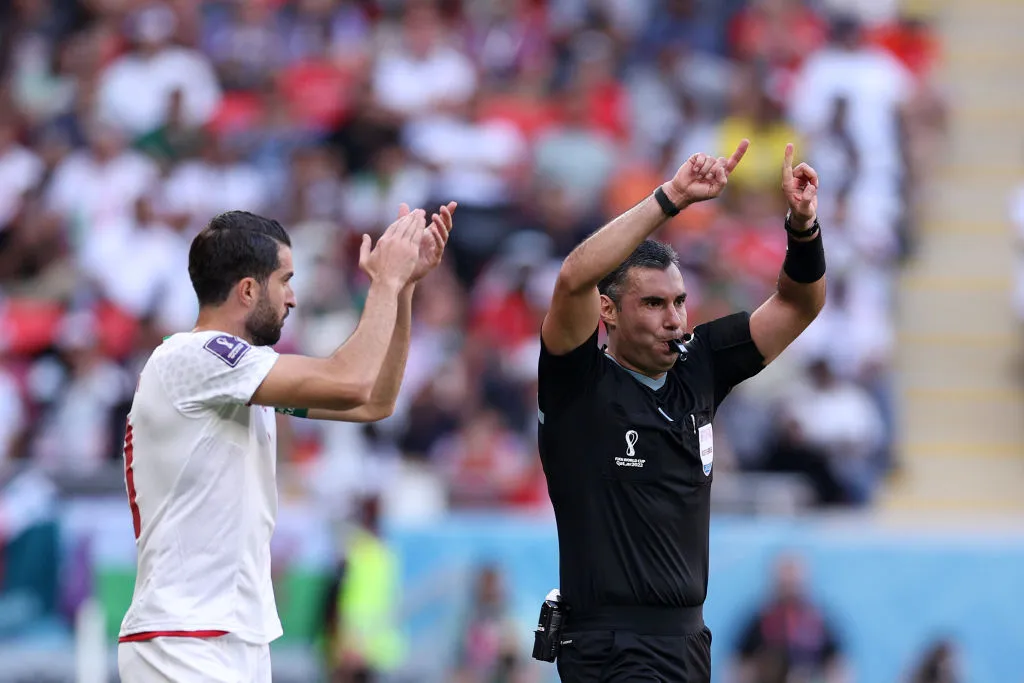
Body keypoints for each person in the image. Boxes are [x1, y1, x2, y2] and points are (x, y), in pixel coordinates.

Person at [116, 201, 457, 682]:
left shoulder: (234, 377)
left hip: (232, 638)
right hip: (183, 638)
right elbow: (351, 382)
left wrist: (402, 289)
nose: (292, 298)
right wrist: (382, 281)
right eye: (285, 280)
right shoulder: (195, 356)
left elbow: (373, 402)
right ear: (249, 289)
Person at [536, 140, 826, 682]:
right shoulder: (577, 383)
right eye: (652, 303)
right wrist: (671, 198)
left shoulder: (700, 365)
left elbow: (797, 303)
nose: (673, 318)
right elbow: (574, 275)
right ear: (609, 312)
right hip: (611, 646)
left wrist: (802, 226)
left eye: (679, 301)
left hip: (690, 642)